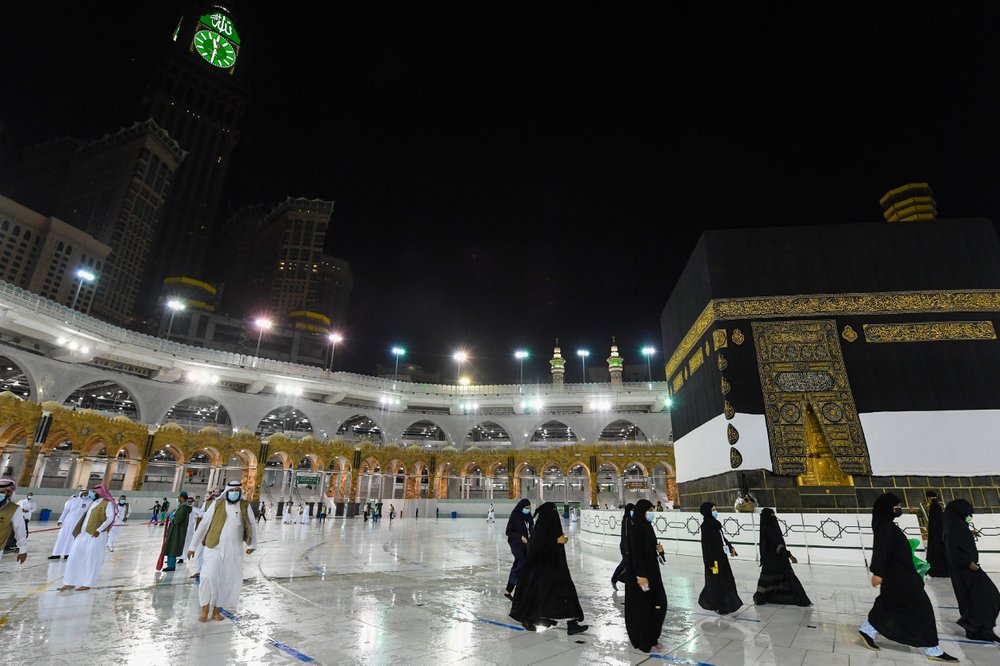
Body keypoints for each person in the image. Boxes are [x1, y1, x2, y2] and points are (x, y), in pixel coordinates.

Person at [858, 493, 958, 662]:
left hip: (901, 575)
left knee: (891, 604)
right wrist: (878, 572)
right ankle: (933, 649)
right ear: (887, 508)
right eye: (896, 506)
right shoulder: (885, 526)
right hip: (899, 577)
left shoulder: (887, 525)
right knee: (922, 608)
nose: (899, 508)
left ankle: (867, 629)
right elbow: (881, 550)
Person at [509, 502, 588, 635]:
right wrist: (556, 541)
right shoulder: (540, 528)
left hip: (554, 568)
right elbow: (536, 547)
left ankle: (571, 623)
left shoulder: (547, 526)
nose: (555, 516)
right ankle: (532, 619)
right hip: (542, 570)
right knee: (551, 594)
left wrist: (560, 540)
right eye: (553, 512)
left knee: (562, 593)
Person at [188, 480, 257, 622]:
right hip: (214, 548)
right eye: (231, 491)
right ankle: (204, 609)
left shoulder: (244, 506)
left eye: (236, 491)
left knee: (226, 580)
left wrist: (252, 544)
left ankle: (216, 611)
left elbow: (252, 525)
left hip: (234, 550)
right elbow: (203, 525)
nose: (234, 493)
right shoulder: (217, 504)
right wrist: (192, 547)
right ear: (226, 492)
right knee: (208, 577)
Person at [943, 499, 1000, 642]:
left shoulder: (955, 524)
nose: (970, 515)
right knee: (988, 596)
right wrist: (968, 562)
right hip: (967, 568)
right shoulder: (956, 526)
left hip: (965, 568)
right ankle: (981, 629)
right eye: (968, 512)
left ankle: (975, 630)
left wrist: (969, 533)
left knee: (971, 599)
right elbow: (953, 549)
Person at [625, 499, 667, 652]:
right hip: (641, 576)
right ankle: (645, 642)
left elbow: (651, 549)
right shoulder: (635, 529)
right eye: (649, 511)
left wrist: (660, 550)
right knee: (643, 609)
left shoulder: (648, 526)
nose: (651, 513)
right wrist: (641, 575)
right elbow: (636, 554)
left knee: (658, 604)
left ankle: (652, 638)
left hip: (653, 572)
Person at [58, 484, 117, 591]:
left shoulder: (107, 504)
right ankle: (70, 582)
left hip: (96, 535)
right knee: (74, 557)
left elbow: (110, 518)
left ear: (100, 492)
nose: (91, 493)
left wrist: (99, 530)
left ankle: (87, 583)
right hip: (83, 534)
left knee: (91, 559)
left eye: (94, 492)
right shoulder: (92, 503)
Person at [753, 508, 811, 606]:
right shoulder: (769, 528)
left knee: (768, 581)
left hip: (771, 561)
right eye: (771, 515)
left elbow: (777, 544)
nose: (773, 517)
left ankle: (762, 598)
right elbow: (777, 544)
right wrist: (789, 556)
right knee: (785, 579)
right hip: (776, 560)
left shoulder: (767, 527)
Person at [697, 502, 742, 615]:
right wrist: (710, 563)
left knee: (725, 581)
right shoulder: (706, 526)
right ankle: (718, 605)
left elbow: (722, 539)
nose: (715, 512)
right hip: (714, 561)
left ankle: (726, 604)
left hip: (722, 558)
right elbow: (706, 546)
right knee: (716, 583)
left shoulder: (715, 524)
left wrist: (730, 548)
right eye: (713, 510)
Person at [504, 499, 534, 600]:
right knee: (521, 562)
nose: (528, 510)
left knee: (520, 564)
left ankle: (509, 590)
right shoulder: (515, 516)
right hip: (516, 543)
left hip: (526, 544)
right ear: (521, 507)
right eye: (526, 508)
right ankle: (515, 588)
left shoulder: (528, 517)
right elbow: (508, 532)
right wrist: (520, 537)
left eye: (529, 508)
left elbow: (532, 529)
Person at [50, 491, 91, 559]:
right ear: (80, 493)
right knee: (62, 537)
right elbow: (65, 511)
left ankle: (68, 554)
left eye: (86, 493)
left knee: (73, 539)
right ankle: (56, 554)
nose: (85, 495)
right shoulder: (72, 500)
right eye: (84, 493)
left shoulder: (90, 502)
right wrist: (60, 520)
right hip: (67, 522)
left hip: (79, 523)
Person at [160, 491, 192, 572]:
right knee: (171, 547)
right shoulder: (181, 507)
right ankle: (170, 564)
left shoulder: (183, 507)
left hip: (177, 531)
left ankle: (171, 566)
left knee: (173, 547)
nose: (178, 498)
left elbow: (177, 520)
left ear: (182, 497)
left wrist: (172, 517)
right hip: (175, 530)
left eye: (179, 497)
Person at [0, 478, 28, 563]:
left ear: (9, 493)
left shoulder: (13, 509)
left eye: (2, 492)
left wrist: (22, 550)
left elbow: (19, 529)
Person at [922, 491, 949, 578]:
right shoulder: (937, 506)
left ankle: (937, 570)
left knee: (936, 552)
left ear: (929, 498)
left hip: (936, 535)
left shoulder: (934, 507)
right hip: (938, 534)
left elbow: (935, 523)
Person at [611, 503, 635, 591]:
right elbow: (625, 535)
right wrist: (627, 549)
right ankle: (615, 579)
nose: (633, 512)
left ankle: (625, 579)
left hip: (630, 546)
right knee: (624, 563)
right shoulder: (626, 520)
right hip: (626, 547)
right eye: (632, 510)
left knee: (629, 564)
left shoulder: (632, 520)